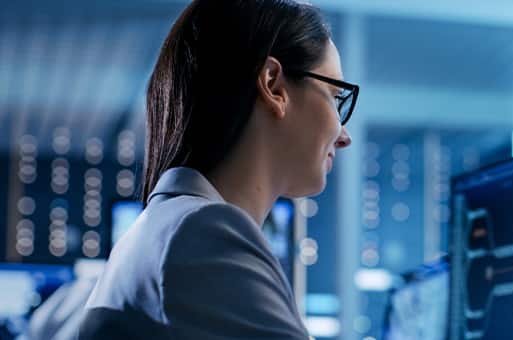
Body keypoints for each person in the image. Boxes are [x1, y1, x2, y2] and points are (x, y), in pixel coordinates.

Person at [78, 0, 355, 338]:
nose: (345, 136)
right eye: (335, 96)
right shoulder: (203, 234)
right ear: (274, 86)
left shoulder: (167, 228)